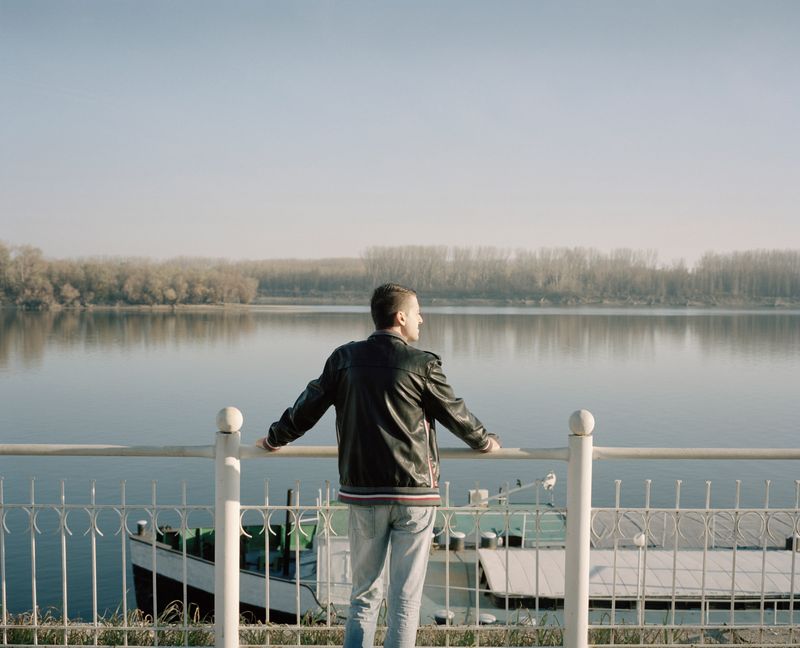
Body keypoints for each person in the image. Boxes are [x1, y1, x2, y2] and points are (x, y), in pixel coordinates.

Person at [258, 282, 500, 648]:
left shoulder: (344, 359)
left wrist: (275, 438)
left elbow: (307, 407)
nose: (422, 319)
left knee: (363, 596)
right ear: (401, 317)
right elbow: (456, 414)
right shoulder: (422, 364)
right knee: (405, 599)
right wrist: (485, 441)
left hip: (364, 493)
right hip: (415, 496)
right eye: (417, 312)